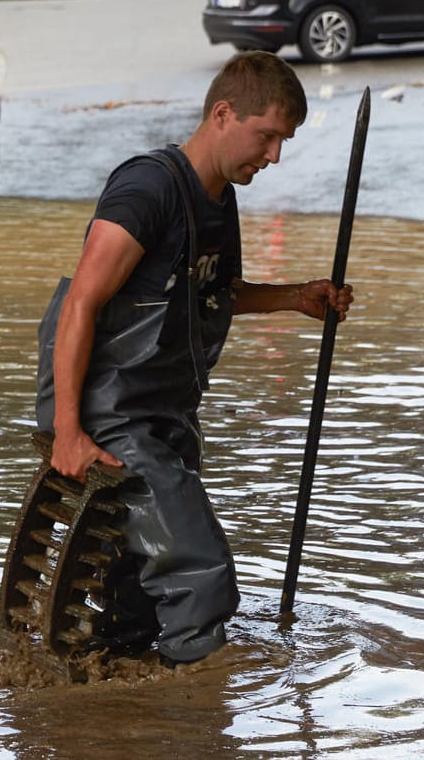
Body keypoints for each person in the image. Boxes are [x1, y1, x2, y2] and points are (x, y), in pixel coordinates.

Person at [40, 50, 354, 666]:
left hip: (164, 416)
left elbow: (213, 295)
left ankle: (115, 708)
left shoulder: (217, 202)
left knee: (134, 599)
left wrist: (296, 298)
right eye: (266, 137)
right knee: (201, 573)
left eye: (282, 142)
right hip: (110, 415)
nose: (274, 156)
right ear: (222, 112)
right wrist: (69, 432)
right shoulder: (147, 188)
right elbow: (81, 302)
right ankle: (199, 725)